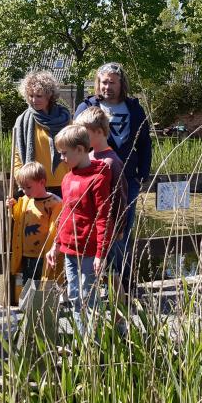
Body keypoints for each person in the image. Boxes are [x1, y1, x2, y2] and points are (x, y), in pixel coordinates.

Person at [74, 63, 152, 293]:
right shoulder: (87, 107)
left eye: (112, 82)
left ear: (121, 84)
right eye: (104, 82)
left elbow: (144, 141)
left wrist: (143, 172)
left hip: (127, 178)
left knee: (122, 231)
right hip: (94, 177)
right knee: (94, 229)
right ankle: (92, 286)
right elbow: (75, 140)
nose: (107, 87)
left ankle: (122, 286)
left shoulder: (134, 109)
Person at [46, 125, 113, 336]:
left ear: (81, 150)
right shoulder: (67, 179)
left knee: (89, 296)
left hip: (89, 250)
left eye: (65, 153)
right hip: (69, 249)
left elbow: (104, 217)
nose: (62, 158)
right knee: (74, 295)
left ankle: (93, 340)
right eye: (60, 153)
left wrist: (101, 254)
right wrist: (56, 244)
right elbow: (65, 215)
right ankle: (81, 338)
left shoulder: (98, 178)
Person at [74, 107, 128, 286]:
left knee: (111, 270)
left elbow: (120, 197)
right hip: (91, 229)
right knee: (92, 271)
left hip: (108, 228)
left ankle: (119, 311)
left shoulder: (111, 161)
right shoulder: (87, 157)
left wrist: (119, 228)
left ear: (99, 132)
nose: (81, 138)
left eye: (85, 133)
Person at [14, 71, 71, 197]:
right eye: (30, 95)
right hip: (35, 185)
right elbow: (17, 155)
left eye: (39, 96)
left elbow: (77, 150)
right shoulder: (22, 121)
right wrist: (21, 176)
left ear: (49, 95)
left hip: (65, 184)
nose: (34, 100)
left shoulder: (66, 119)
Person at [6, 162, 63, 284]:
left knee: (43, 285)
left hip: (43, 256)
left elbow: (57, 229)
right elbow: (19, 218)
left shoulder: (54, 203)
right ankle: (28, 303)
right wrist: (12, 207)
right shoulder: (26, 201)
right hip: (26, 255)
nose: (25, 191)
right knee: (27, 284)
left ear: (42, 182)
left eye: (28, 187)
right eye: (22, 188)